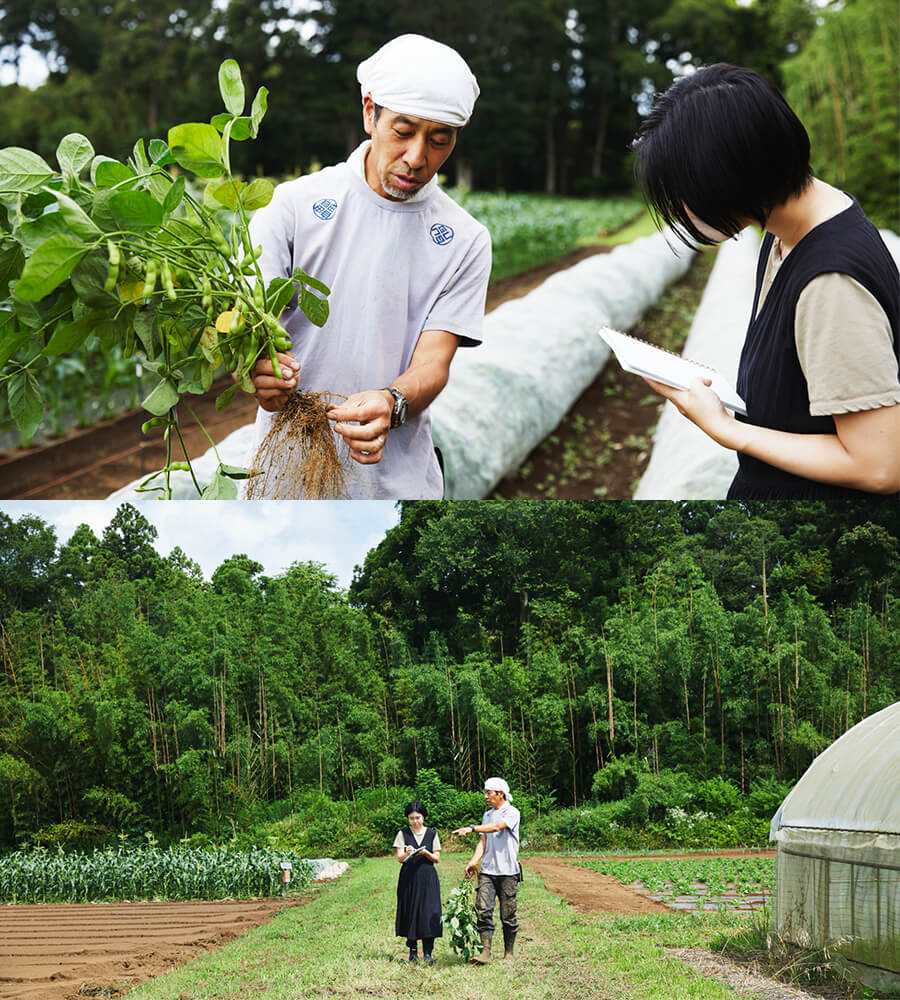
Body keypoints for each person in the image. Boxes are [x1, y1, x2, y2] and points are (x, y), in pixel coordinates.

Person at [632, 63, 899, 500]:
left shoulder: (831, 282)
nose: (683, 212)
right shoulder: (787, 231)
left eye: (684, 195)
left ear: (726, 179)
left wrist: (727, 430)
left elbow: (880, 466)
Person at [246, 34, 492, 499]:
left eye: (439, 141)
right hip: (282, 473)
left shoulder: (464, 239)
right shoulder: (294, 206)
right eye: (403, 132)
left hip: (395, 485)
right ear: (369, 112)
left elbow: (433, 364)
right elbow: (250, 326)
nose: (418, 158)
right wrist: (258, 368)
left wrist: (392, 403)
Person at [453, 777, 521, 964]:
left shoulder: (512, 812)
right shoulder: (487, 815)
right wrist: (473, 862)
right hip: (488, 872)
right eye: (485, 792)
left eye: (488, 792)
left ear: (500, 794)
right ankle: (486, 953)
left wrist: (471, 828)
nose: (486, 796)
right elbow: (483, 841)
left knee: (508, 913)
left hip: (508, 871)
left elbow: (497, 827)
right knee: (482, 909)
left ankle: (509, 952)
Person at [393, 800, 442, 964]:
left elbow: (437, 858)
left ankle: (428, 953)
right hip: (409, 878)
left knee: (429, 913)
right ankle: (412, 951)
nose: (415, 821)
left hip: (428, 878)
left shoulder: (432, 834)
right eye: (412, 818)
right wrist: (407, 853)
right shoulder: (403, 834)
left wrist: (426, 853)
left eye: (418, 817)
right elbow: (399, 859)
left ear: (423, 817)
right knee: (410, 911)